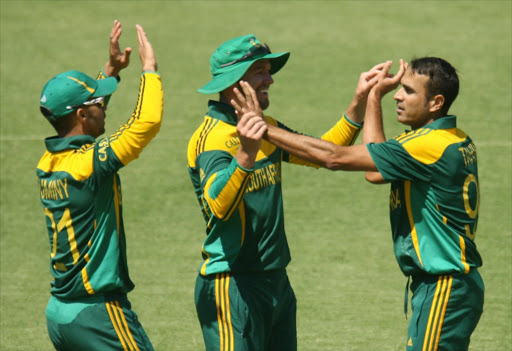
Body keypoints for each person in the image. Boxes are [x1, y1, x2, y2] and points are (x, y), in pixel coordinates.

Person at [233, 57, 484, 351]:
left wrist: (259, 127)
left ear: (435, 102)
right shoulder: (451, 139)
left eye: (409, 91)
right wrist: (374, 97)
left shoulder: (427, 146)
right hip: (453, 285)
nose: (399, 96)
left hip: (444, 285)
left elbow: (334, 158)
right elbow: (375, 171)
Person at [187, 33, 388, 351]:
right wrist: (246, 154)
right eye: (260, 72)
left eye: (268, 70)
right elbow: (217, 207)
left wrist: (359, 100)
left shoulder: (265, 125)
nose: (270, 79)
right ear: (234, 81)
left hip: (275, 279)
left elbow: (326, 153)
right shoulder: (211, 138)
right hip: (232, 283)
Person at [36, 20, 162, 351]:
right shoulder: (88, 164)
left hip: (60, 315)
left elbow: (88, 116)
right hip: (97, 314)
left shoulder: (48, 164)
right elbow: (144, 125)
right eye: (97, 104)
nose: (103, 109)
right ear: (81, 114)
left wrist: (110, 72)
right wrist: (149, 70)